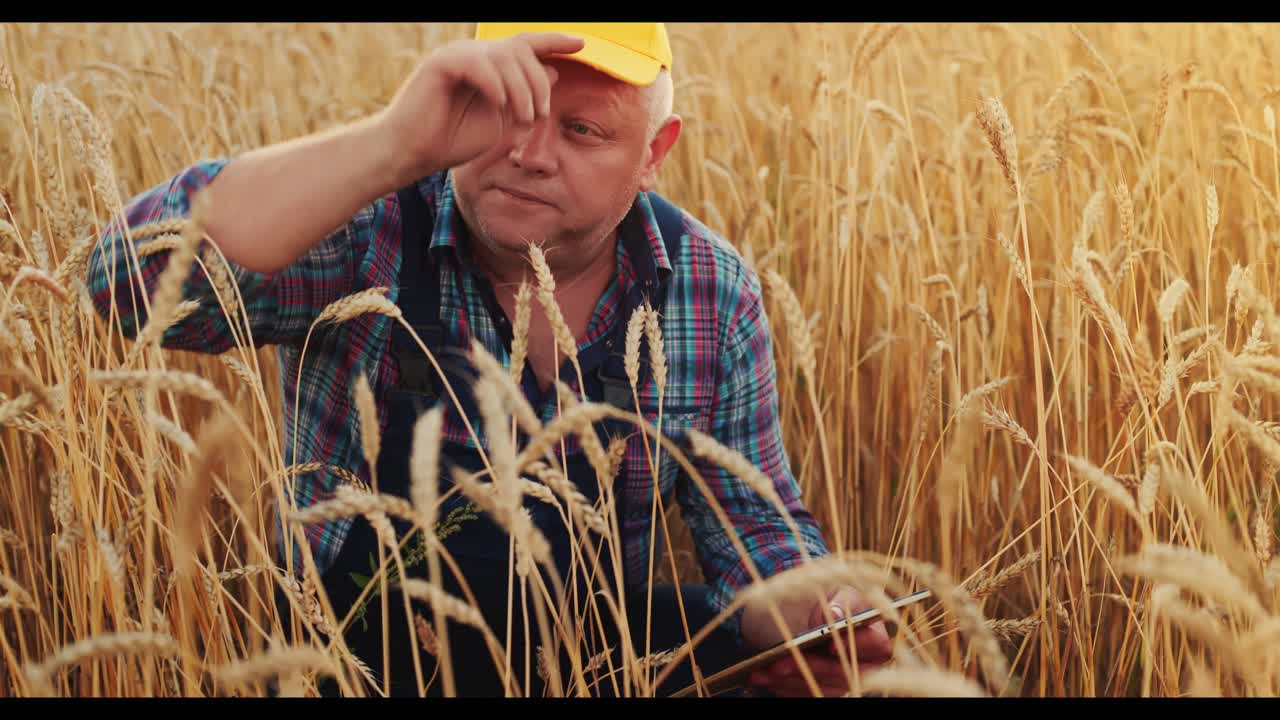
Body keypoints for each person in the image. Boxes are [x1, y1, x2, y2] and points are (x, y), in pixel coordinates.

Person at [86, 22, 893, 697]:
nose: (531, 154)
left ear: (654, 153)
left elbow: (756, 521)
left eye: (582, 130)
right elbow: (125, 283)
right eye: (508, 111)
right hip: (347, 667)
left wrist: (807, 611)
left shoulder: (707, 290)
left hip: (584, 668)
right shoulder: (369, 230)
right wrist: (393, 144)